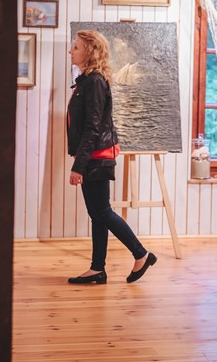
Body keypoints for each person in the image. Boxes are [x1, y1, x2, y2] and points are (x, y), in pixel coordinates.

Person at [65, 30, 157, 285]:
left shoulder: (94, 82)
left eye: (76, 47)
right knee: (98, 214)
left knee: (102, 212)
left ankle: (141, 254)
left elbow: (92, 128)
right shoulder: (86, 81)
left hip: (96, 157)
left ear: (89, 51)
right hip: (93, 156)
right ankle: (97, 269)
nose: (71, 51)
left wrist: (78, 166)